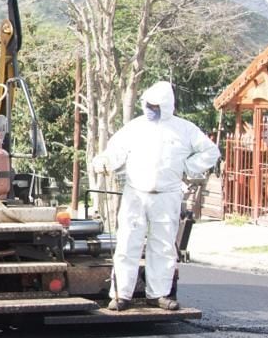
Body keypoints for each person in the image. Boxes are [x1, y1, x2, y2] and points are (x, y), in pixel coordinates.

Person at [91, 81, 220, 311]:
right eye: (148, 105)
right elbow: (116, 151)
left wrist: (188, 167)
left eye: (155, 106)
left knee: (162, 246)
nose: (150, 109)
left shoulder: (185, 129)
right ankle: (121, 294)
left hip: (167, 195)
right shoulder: (135, 127)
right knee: (127, 243)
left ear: (167, 106)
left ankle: (158, 294)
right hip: (135, 193)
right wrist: (105, 162)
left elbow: (211, 151)